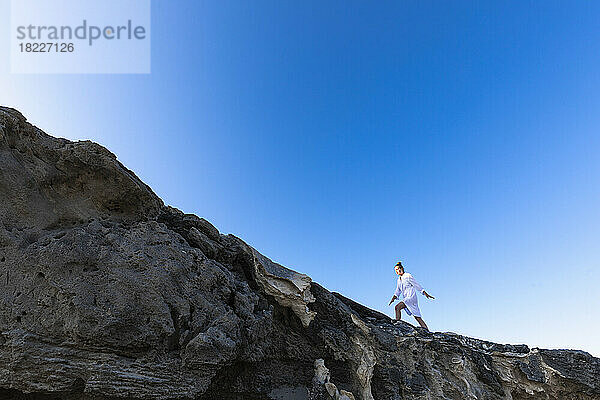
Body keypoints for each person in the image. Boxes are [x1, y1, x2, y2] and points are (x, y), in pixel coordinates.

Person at [388, 261, 435, 330]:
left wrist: (424, 293)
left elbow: (416, 284)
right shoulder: (398, 280)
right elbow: (398, 290)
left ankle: (397, 323)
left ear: (402, 268)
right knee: (417, 317)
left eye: (398, 269)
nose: (397, 271)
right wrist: (393, 298)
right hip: (407, 298)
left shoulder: (407, 275)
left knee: (397, 307)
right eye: (396, 270)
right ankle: (426, 330)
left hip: (411, 297)